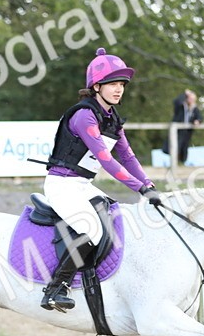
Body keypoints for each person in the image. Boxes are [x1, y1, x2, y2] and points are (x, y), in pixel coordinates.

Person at [36, 47, 162, 312]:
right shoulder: (84, 116)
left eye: (121, 85)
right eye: (112, 84)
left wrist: (149, 184)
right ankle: (56, 288)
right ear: (96, 86)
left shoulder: (112, 119)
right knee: (91, 229)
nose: (118, 90)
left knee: (115, 216)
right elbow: (107, 160)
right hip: (62, 184)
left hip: (82, 185)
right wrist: (139, 188)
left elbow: (127, 157)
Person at [167, 90, 201, 165]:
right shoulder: (181, 106)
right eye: (190, 98)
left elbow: (199, 117)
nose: (191, 100)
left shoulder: (194, 108)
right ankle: (174, 164)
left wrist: (197, 121)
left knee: (184, 149)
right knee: (175, 148)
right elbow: (176, 101)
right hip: (177, 131)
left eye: (193, 99)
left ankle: (182, 163)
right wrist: (184, 94)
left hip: (187, 133)